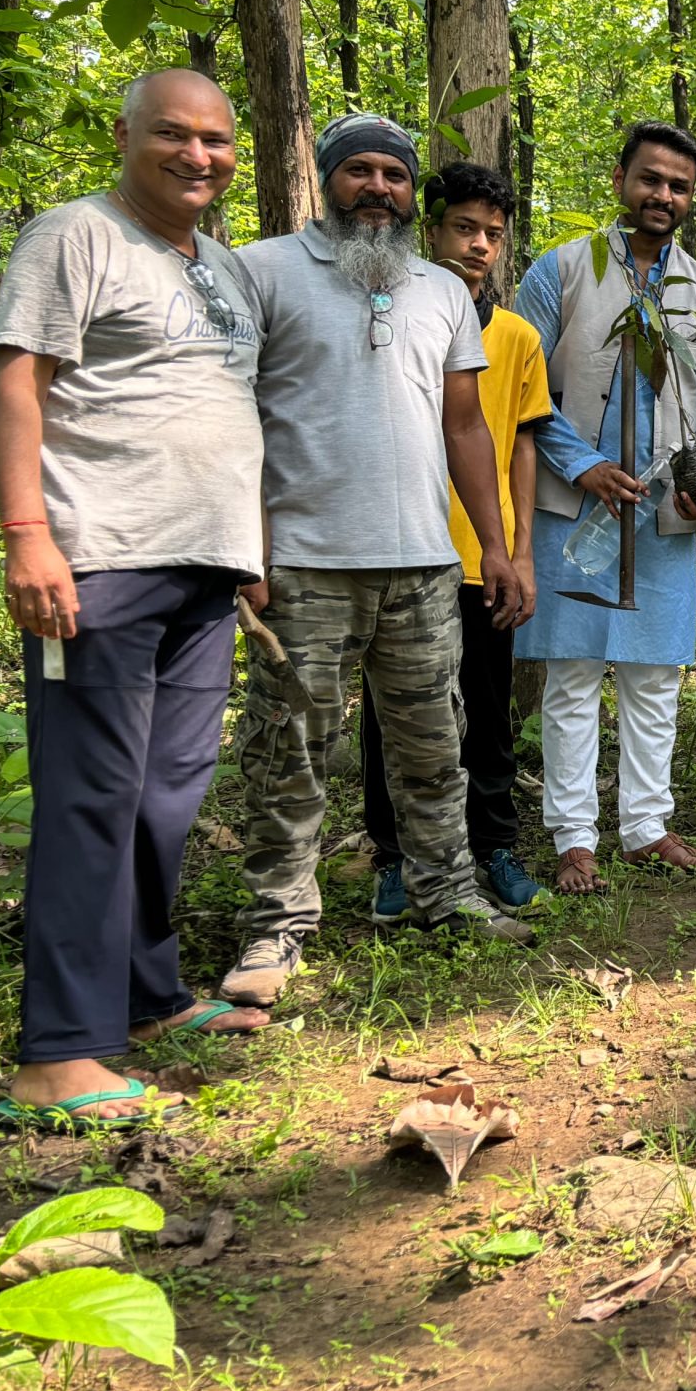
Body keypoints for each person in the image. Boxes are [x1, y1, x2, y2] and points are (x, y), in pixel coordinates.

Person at [0, 70, 267, 1128]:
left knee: (167, 794)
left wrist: (248, 549)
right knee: (91, 795)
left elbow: (218, 404)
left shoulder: (224, 269)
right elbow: (18, 382)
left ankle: (148, 995)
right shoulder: (72, 236)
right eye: (174, 135)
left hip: (205, 565)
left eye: (216, 140)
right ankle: (58, 1055)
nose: (198, 155)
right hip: (100, 555)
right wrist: (26, 536)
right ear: (125, 136)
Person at [224, 113, 536, 1008]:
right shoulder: (263, 270)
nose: (377, 188)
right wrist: (246, 544)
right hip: (305, 566)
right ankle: (277, 925)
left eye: (394, 176)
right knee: (291, 747)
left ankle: (447, 892)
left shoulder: (442, 288)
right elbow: (232, 417)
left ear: (411, 193)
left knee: (435, 741)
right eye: (358, 171)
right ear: (327, 179)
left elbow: (466, 426)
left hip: (425, 564)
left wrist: (497, 547)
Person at [514, 121, 696, 893]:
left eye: (678, 186)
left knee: (655, 672)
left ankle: (647, 825)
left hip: (661, 512)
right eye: (651, 180)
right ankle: (572, 835)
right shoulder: (560, 272)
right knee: (574, 673)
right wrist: (581, 467)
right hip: (573, 509)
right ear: (620, 180)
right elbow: (526, 389)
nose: (663, 196)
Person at [358, 161, 553, 923]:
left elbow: (520, 448)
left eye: (493, 235)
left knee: (487, 707)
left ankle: (494, 847)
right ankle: (394, 858)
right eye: (463, 228)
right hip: (399, 551)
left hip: (483, 556)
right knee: (391, 716)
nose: (478, 245)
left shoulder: (515, 338)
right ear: (430, 229)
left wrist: (521, 549)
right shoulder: (386, 318)